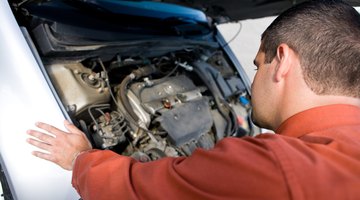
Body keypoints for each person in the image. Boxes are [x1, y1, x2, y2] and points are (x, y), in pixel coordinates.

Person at [27, 0, 360, 199]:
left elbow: (132, 191)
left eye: (258, 65)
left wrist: (81, 156)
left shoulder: (276, 169)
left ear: (283, 61)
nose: (251, 80)